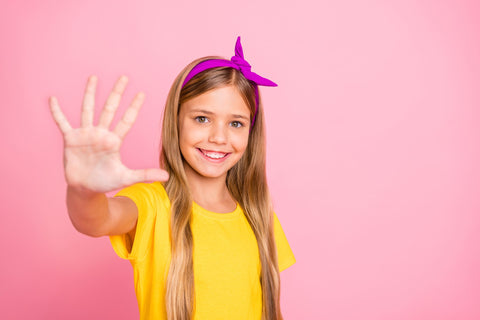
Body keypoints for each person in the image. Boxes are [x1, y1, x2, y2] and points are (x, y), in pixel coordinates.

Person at [49, 37, 295, 320]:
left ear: (250, 133)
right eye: (202, 118)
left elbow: (272, 309)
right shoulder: (152, 204)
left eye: (236, 123)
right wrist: (84, 191)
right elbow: (95, 220)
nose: (218, 137)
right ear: (175, 121)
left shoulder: (259, 213)